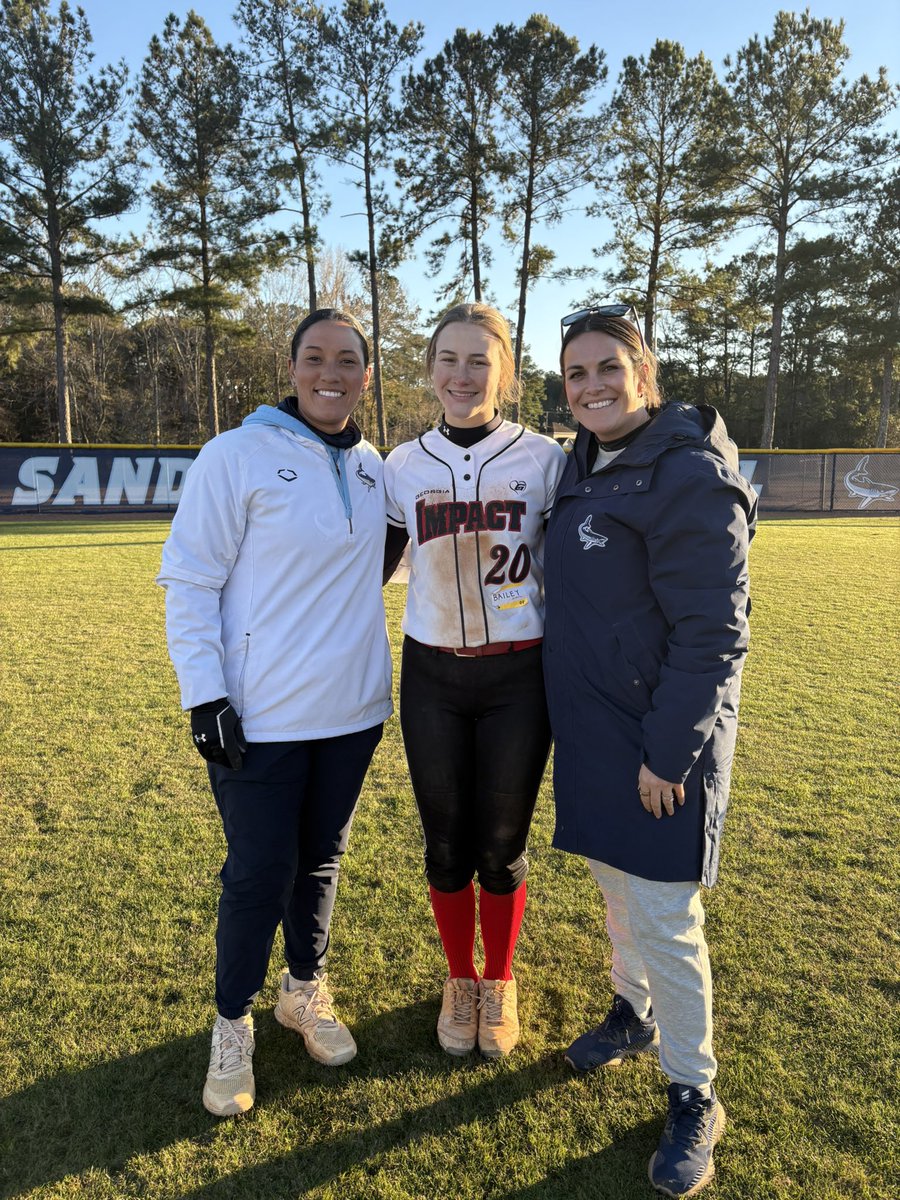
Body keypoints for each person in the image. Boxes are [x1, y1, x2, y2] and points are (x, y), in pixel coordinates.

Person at [543, 305, 756, 1196]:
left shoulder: (689, 474)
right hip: (591, 734)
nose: (591, 387)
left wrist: (668, 756)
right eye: (576, 374)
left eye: (607, 368)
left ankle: (693, 1089)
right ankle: (631, 1013)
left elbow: (713, 635)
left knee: (667, 917)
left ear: (645, 372)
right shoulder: (580, 463)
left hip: (661, 744)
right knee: (616, 888)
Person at [158, 309, 392, 1116]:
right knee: (259, 875)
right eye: (316, 358)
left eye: (349, 360)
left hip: (354, 712)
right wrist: (205, 694)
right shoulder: (236, 454)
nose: (332, 373)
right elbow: (189, 579)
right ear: (291, 368)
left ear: (368, 373)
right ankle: (232, 1027)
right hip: (259, 719)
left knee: (320, 863)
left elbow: (382, 561)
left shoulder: (374, 467)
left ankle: (303, 992)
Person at [383, 303, 566, 1059]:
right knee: (444, 844)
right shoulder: (401, 465)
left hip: (521, 676)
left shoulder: (545, 459)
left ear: (506, 373)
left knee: (502, 843)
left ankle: (501, 979)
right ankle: (460, 978)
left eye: (478, 360)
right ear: (430, 369)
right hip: (431, 673)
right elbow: (362, 569)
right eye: (448, 360)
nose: (461, 375)